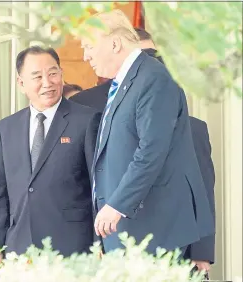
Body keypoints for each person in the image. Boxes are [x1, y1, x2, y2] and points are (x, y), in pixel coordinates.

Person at [71, 27, 216, 273]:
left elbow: (197, 183)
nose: (151, 62)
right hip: (117, 238)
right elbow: (88, 178)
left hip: (159, 236)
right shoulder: (90, 105)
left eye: (152, 55)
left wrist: (201, 251)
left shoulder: (177, 106)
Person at [0, 46, 101, 257]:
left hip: (72, 246)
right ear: (21, 83)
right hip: (20, 247)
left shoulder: (86, 120)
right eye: (37, 76)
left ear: (62, 74)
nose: (47, 83)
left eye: (53, 73)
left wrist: (99, 243)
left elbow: (99, 186)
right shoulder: (7, 127)